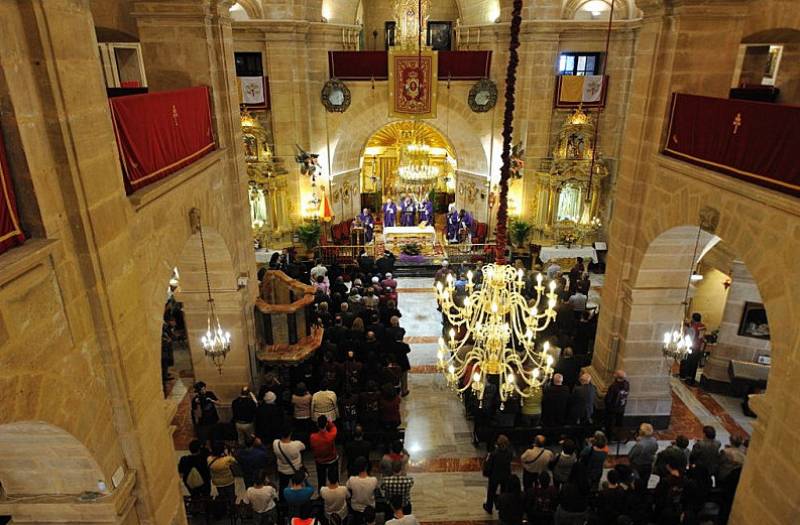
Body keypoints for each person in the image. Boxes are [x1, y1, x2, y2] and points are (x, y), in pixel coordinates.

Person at [483, 434, 513, 514]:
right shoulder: (509, 453)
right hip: (505, 475)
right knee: (504, 492)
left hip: (494, 476)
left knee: (491, 492)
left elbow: (488, 464)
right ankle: (502, 507)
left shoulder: (493, 454)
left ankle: (489, 507)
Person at [273, 428, 306, 499]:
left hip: (282, 469)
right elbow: (303, 447)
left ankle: (282, 502)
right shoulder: (296, 444)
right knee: (298, 484)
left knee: (282, 486)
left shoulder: (275, 443)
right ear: (290, 434)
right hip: (295, 469)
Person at [310, 416, 339, 492]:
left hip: (320, 461)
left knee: (321, 480)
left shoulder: (313, 437)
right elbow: (334, 427)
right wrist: (330, 422)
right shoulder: (331, 435)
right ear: (326, 424)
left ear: (317, 424)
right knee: (334, 479)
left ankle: (321, 496)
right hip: (332, 460)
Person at [628, 423, 658, 491]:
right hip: (649, 464)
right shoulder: (654, 440)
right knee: (645, 481)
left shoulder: (640, 445)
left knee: (637, 482)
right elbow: (655, 449)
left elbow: (631, 455)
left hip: (638, 466)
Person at [680, 312, 706, 385]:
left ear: (693, 319)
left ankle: (684, 377)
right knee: (694, 364)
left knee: (687, 362)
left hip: (691, 347)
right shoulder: (703, 326)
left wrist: (685, 330)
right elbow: (701, 337)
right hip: (698, 347)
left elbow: (689, 337)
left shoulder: (692, 328)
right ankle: (691, 378)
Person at [191, 381, 220, 446]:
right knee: (203, 441)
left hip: (213, 420)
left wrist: (211, 400)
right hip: (203, 424)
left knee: (214, 439)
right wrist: (197, 403)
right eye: (202, 390)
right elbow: (197, 414)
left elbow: (219, 403)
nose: (204, 391)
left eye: (204, 388)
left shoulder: (210, 394)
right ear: (198, 391)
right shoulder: (195, 400)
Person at [604, 370, 630, 438]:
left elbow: (608, 399)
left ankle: (609, 437)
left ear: (616, 376)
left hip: (613, 409)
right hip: (621, 407)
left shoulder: (613, 386)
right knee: (619, 424)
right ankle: (618, 437)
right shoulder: (627, 384)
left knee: (610, 424)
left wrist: (607, 405)